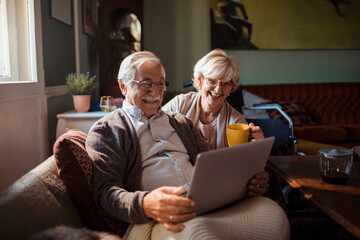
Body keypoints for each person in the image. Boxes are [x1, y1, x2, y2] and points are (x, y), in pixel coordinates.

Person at [86, 51, 289, 239]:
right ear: (123, 86)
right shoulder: (107, 130)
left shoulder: (181, 123)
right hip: (162, 215)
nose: (155, 92)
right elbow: (105, 193)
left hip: (205, 204)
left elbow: (210, 168)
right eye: (146, 83)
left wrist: (249, 178)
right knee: (200, 235)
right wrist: (146, 204)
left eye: (160, 83)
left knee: (274, 217)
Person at [163, 49, 262, 150]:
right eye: (212, 81)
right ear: (200, 80)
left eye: (225, 83)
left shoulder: (236, 121)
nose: (218, 89)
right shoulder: (180, 104)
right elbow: (152, 128)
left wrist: (258, 148)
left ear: (231, 87)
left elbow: (246, 161)